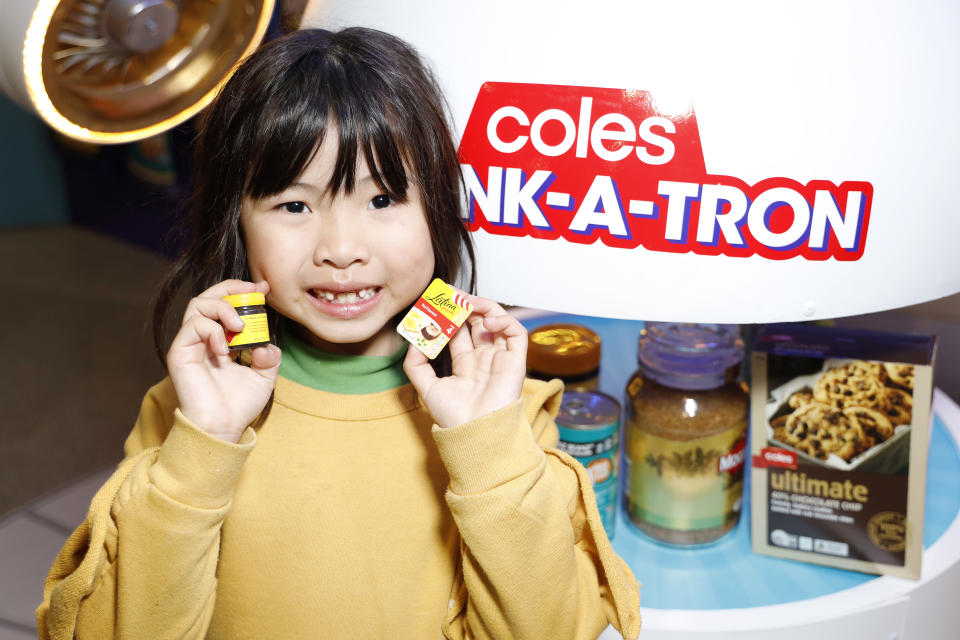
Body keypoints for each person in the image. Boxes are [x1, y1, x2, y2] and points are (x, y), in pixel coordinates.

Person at [36, 27, 641, 640]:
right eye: (294, 206)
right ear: (236, 225)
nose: (342, 251)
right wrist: (203, 449)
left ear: (436, 208)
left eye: (383, 199)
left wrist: (488, 448)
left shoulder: (499, 413)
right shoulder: (192, 411)